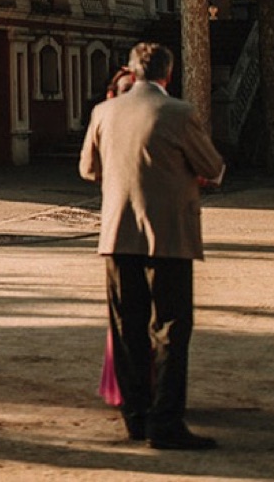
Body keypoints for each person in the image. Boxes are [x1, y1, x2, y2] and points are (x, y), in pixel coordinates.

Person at [81, 41, 226, 451]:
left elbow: (87, 168)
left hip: (117, 234)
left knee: (128, 327)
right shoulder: (179, 113)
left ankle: (136, 418)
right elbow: (213, 168)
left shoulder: (103, 112)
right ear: (168, 73)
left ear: (132, 70)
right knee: (170, 329)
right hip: (169, 237)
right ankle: (166, 422)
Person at [95, 67, 137, 411]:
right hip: (119, 232)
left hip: (136, 231)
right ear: (112, 93)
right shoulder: (106, 120)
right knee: (124, 318)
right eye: (123, 88)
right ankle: (124, 391)